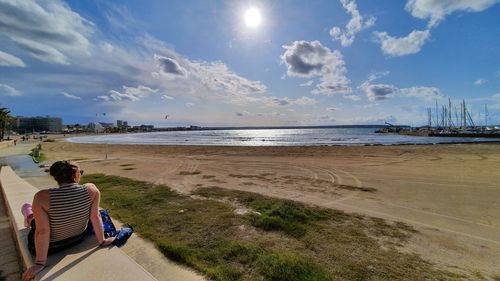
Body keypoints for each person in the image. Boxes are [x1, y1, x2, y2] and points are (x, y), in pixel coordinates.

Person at [21, 160, 115, 281]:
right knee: (34, 217)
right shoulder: (92, 190)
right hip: (77, 239)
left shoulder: (41, 197)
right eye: (80, 172)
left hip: (51, 247)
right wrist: (102, 240)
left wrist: (39, 263)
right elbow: (95, 216)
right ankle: (30, 218)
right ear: (76, 175)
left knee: (27, 209)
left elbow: (42, 231)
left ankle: (28, 217)